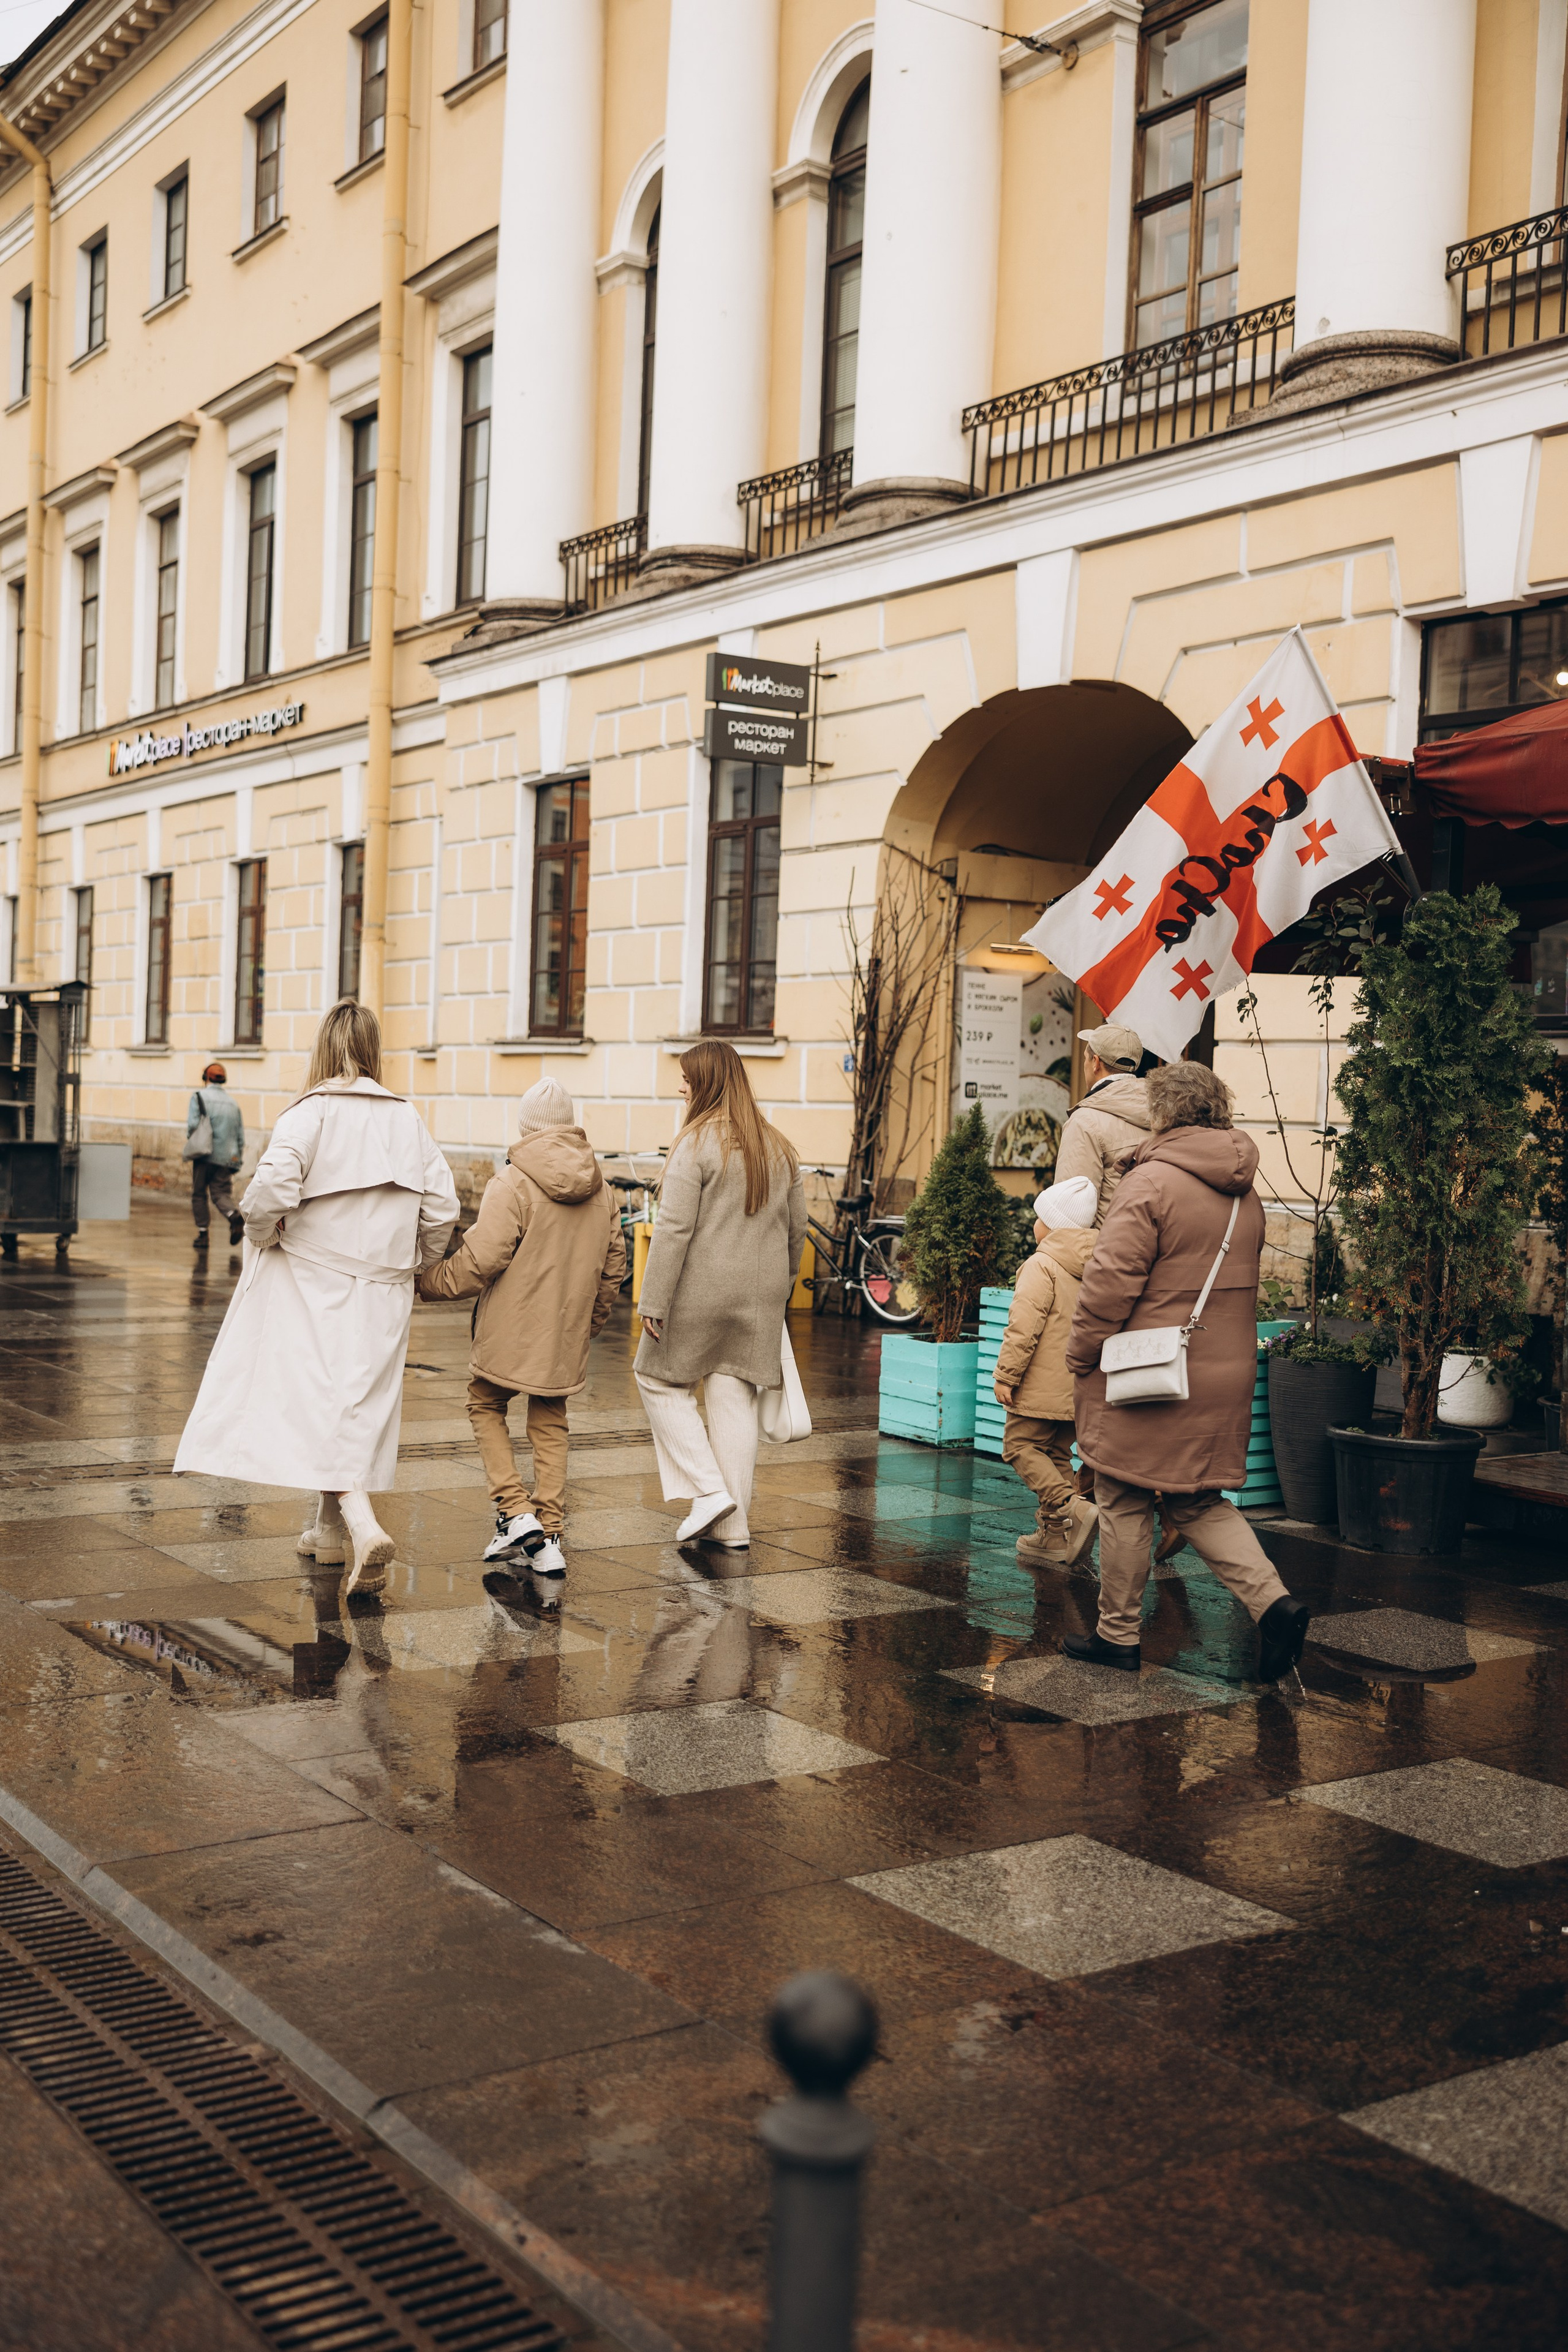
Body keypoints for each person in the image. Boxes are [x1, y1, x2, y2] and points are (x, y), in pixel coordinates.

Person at [173, 1000, 459, 1599]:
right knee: (350, 1408)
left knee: (314, 1404)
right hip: (383, 1289)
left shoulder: (312, 1111)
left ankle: (361, 1524)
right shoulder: (407, 1117)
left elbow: (270, 1187)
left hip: (313, 1278)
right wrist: (414, 1264)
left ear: (323, 1048)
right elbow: (443, 1209)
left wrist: (262, 1232)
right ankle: (328, 1533)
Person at [1065, 1060, 1311, 1684]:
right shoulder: (1244, 1190)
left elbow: (1108, 1285)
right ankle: (1274, 1606)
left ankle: (1117, 1636)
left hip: (1153, 1370)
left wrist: (1081, 1353)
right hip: (1222, 1370)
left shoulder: (1150, 1184)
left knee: (1122, 1493)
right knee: (1197, 1499)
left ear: (1162, 1113)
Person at [415, 1077, 625, 1578]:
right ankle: (548, 1536)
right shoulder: (603, 1189)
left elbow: (480, 1260)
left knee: (485, 1403)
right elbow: (614, 1266)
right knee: (550, 1420)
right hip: (565, 1334)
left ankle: (515, 1510)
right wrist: (588, 1325)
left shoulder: (512, 1183)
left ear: (527, 1126)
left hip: (510, 1330)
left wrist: (427, 1283)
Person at [635, 1039, 807, 1550]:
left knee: (655, 1379)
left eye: (687, 1079)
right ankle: (733, 1528)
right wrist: (781, 1290)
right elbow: (797, 1230)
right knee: (734, 1399)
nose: (680, 1088)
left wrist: (653, 1300)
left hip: (700, 1292)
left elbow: (673, 1229)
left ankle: (710, 1492)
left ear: (706, 1083)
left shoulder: (694, 1143)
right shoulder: (780, 1146)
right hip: (760, 1297)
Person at [993, 1173, 1100, 1569]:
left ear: (1053, 1225)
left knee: (1019, 1446)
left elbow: (1024, 1326)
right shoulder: (1101, 1264)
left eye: (1039, 1217)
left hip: (1040, 1384)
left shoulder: (1042, 1264)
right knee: (1055, 1453)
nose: (1034, 1224)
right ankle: (1056, 1535)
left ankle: (1071, 1506)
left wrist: (1007, 1375)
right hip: (1081, 1382)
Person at [1053, 1022, 1153, 1227]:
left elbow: (1069, 1214)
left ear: (1095, 1063)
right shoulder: (1165, 1114)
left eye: (1086, 1058)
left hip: (1105, 1244)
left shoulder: (1084, 1122)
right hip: (1151, 1242)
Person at [187, 1063, 246, 1253]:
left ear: (206, 1078)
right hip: (227, 1158)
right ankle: (233, 1215)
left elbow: (193, 1126)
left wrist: (193, 1144)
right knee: (221, 1193)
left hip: (204, 1155)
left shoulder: (199, 1097)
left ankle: (203, 1235)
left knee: (199, 1194)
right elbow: (240, 1136)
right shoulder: (233, 1103)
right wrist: (237, 1159)